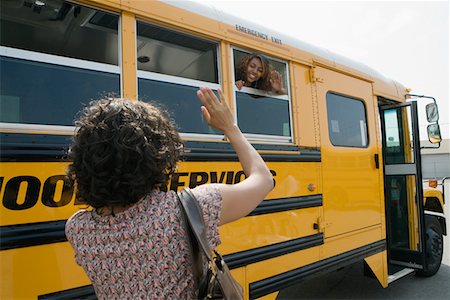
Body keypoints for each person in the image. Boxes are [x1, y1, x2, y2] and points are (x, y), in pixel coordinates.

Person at [65, 87, 274, 299]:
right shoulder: (190, 208)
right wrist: (231, 128)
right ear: (156, 156)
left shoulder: (78, 229)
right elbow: (264, 180)